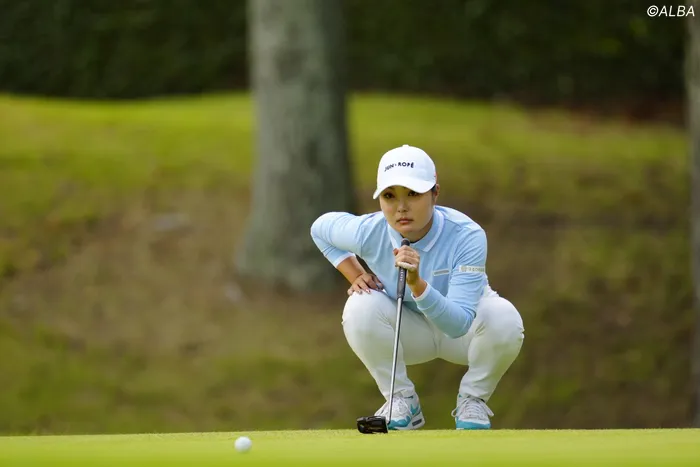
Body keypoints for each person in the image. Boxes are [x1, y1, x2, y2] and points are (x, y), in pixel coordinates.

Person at [310, 144, 525, 430]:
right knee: (359, 305)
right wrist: (356, 274)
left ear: (435, 193)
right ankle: (401, 399)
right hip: (406, 331)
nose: (401, 207)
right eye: (389, 196)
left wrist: (418, 285)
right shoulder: (368, 231)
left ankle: (473, 399)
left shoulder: (466, 235)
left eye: (413, 194)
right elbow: (320, 228)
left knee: (505, 318)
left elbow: (458, 325)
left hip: (466, 334)